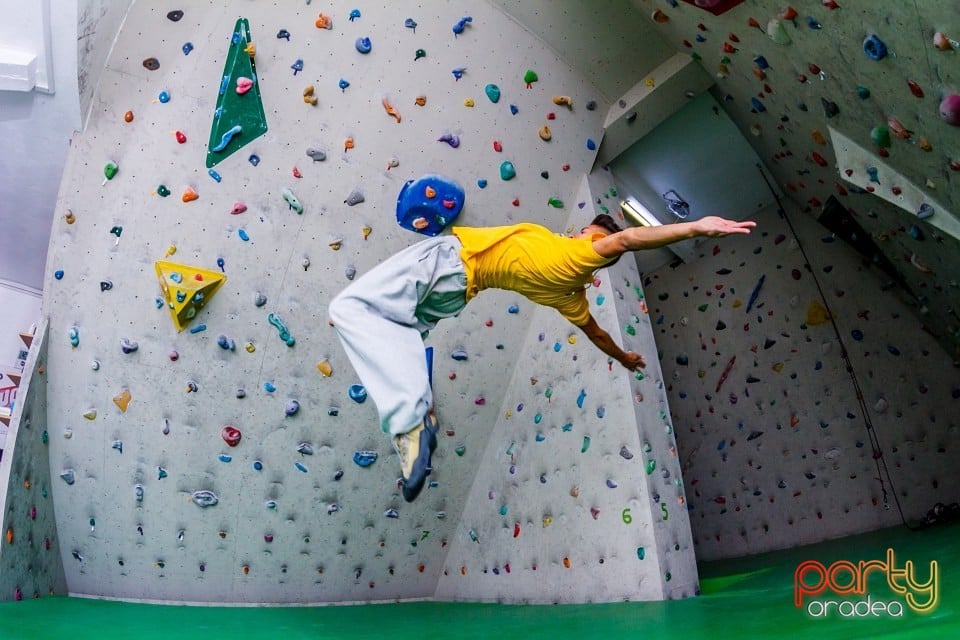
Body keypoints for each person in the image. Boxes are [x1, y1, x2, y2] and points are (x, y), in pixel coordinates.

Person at [329, 212, 755, 501]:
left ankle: (411, 422)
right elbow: (597, 333)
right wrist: (623, 358)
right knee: (397, 335)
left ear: (595, 241)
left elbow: (626, 238)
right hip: (455, 297)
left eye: (587, 232)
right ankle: (411, 429)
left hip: (452, 265)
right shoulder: (570, 294)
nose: (577, 234)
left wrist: (696, 227)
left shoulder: (576, 254)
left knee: (350, 309)